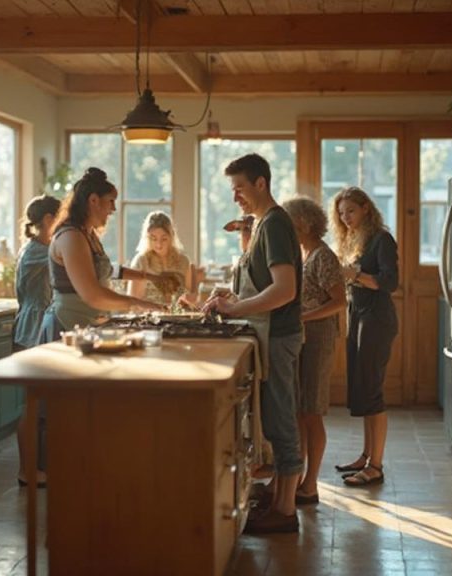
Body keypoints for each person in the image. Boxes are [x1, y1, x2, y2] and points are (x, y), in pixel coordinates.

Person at [203, 153, 303, 534]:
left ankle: (287, 510)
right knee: (277, 418)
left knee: (281, 419)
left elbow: (285, 289)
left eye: (240, 188)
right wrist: (229, 300)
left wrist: (236, 308)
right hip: (270, 333)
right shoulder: (263, 223)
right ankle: (279, 494)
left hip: (278, 335)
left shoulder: (275, 224)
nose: (235, 197)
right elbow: (261, 282)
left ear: (261, 183)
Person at [39, 167, 176, 341]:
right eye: (111, 201)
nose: (113, 209)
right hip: (65, 325)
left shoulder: (88, 235)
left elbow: (108, 270)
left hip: (85, 324)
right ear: (94, 200)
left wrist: (152, 277)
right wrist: (139, 303)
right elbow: (93, 295)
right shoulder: (71, 237)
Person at [331, 186, 399, 487]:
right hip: (358, 317)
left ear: (366, 209)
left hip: (377, 319)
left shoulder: (382, 239)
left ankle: (376, 465)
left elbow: (389, 282)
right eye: (342, 213)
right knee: (363, 388)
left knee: (372, 390)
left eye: (351, 211)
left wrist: (354, 275)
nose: (346, 218)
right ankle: (366, 455)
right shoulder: (352, 239)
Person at [282, 196, 346, 504]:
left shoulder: (322, 256)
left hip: (318, 337)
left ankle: (311, 484)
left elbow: (338, 302)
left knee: (312, 411)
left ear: (304, 224)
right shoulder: (305, 253)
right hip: (304, 336)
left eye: (289, 222)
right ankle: (299, 479)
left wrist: (304, 316)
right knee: (300, 411)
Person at [13, 194, 61, 488]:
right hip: (32, 331)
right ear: (47, 221)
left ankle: (40, 466)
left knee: (43, 405)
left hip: (39, 327)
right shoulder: (36, 251)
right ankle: (26, 470)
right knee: (34, 405)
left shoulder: (43, 248)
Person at [127, 211, 192, 307]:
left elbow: (190, 297)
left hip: (178, 318)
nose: (159, 245)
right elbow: (134, 303)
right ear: (147, 238)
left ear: (172, 236)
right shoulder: (141, 261)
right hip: (148, 319)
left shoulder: (184, 261)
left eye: (164, 239)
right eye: (154, 239)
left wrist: (187, 301)